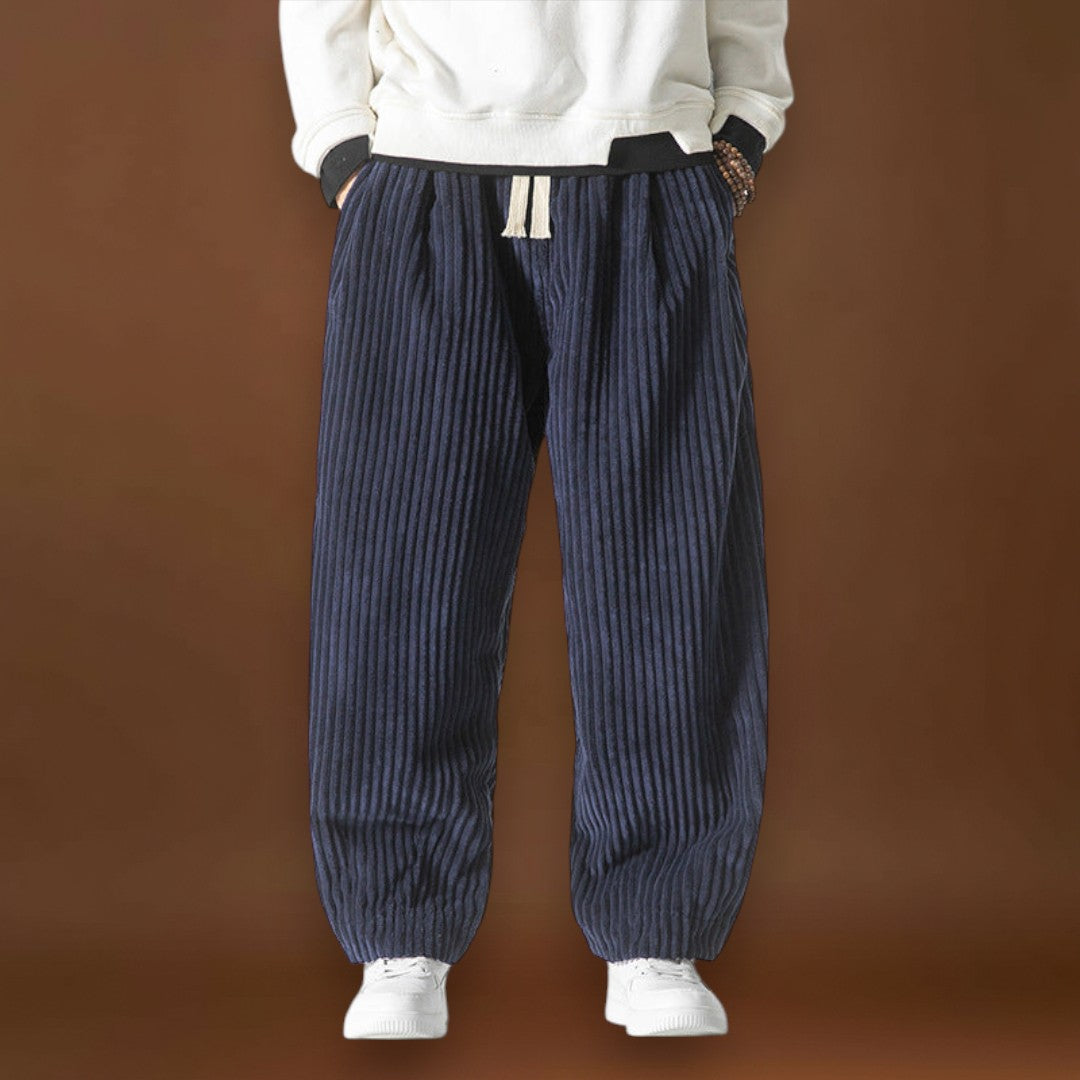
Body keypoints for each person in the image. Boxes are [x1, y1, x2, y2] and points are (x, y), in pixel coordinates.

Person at [278, 0, 793, 1040]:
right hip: (426, 174)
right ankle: (398, 934)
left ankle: (657, 934)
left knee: (670, 564)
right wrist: (342, 146)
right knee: (402, 574)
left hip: (648, 167)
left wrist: (740, 127)